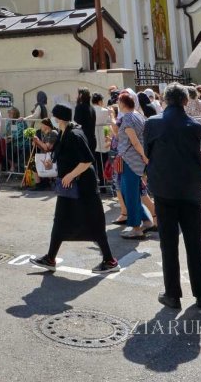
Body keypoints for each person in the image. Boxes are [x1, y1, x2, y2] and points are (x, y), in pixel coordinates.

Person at [29, 104, 120, 275]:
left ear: (59, 118)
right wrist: (51, 163)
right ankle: (50, 258)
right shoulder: (63, 133)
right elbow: (62, 154)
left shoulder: (74, 134)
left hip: (83, 186)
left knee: (94, 222)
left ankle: (109, 260)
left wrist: (70, 175)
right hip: (69, 186)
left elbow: (87, 160)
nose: (53, 119)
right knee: (60, 220)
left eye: (54, 116)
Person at [144, 83, 201, 310]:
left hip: (164, 189)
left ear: (165, 100)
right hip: (190, 189)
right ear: (185, 101)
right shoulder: (194, 126)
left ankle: (172, 294)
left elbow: (147, 152)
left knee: (168, 243)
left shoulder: (153, 123)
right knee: (194, 243)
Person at [112, 92, 153, 239]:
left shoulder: (128, 117)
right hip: (134, 160)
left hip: (130, 160)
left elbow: (134, 141)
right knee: (132, 193)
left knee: (129, 194)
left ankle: (136, 228)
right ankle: (146, 221)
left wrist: (144, 156)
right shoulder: (138, 115)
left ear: (123, 104)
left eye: (119, 101)